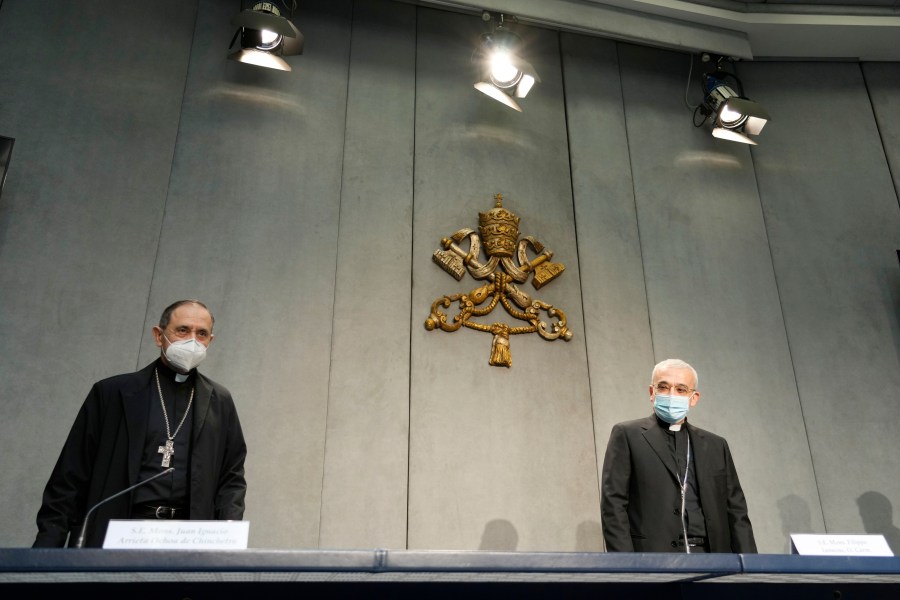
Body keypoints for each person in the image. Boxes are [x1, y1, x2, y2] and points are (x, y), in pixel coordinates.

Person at [33, 299, 247, 548]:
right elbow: (70, 475)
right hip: (117, 532)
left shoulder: (220, 401)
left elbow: (231, 478)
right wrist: (47, 546)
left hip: (189, 538)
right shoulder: (112, 393)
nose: (192, 340)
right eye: (182, 330)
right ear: (159, 336)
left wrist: (228, 542)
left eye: (201, 333)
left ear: (210, 340)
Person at [600, 358, 756, 553]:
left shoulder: (716, 445)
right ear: (652, 393)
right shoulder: (627, 434)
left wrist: (750, 568)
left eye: (681, 389)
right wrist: (627, 565)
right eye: (663, 387)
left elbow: (736, 511)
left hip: (712, 556)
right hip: (652, 557)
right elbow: (613, 505)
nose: (672, 394)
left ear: (694, 397)